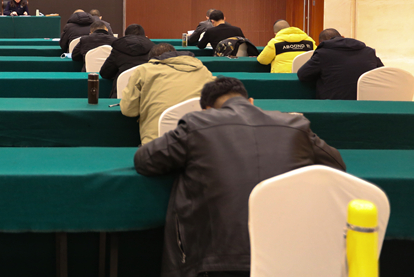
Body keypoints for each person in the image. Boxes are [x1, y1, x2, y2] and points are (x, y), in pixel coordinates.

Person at [133, 77, 345, 277]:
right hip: (290, 254)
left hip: (217, 257)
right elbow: (336, 166)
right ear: (250, 101)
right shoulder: (296, 124)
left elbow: (145, 160)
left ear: (206, 109)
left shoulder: (197, 123)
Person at [120, 43, 215, 144]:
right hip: (200, 140)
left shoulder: (143, 70)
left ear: (152, 60)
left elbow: (128, 110)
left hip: (156, 143)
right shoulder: (203, 70)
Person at [297, 28, 384, 100]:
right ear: (342, 37)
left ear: (321, 42)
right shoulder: (368, 51)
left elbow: (303, 74)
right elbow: (381, 72)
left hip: (333, 104)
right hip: (366, 102)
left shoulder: (323, 53)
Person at [100, 24, 155, 97]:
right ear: (145, 36)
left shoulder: (118, 49)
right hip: (148, 96)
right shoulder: (153, 50)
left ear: (125, 35)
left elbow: (105, 73)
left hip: (121, 95)